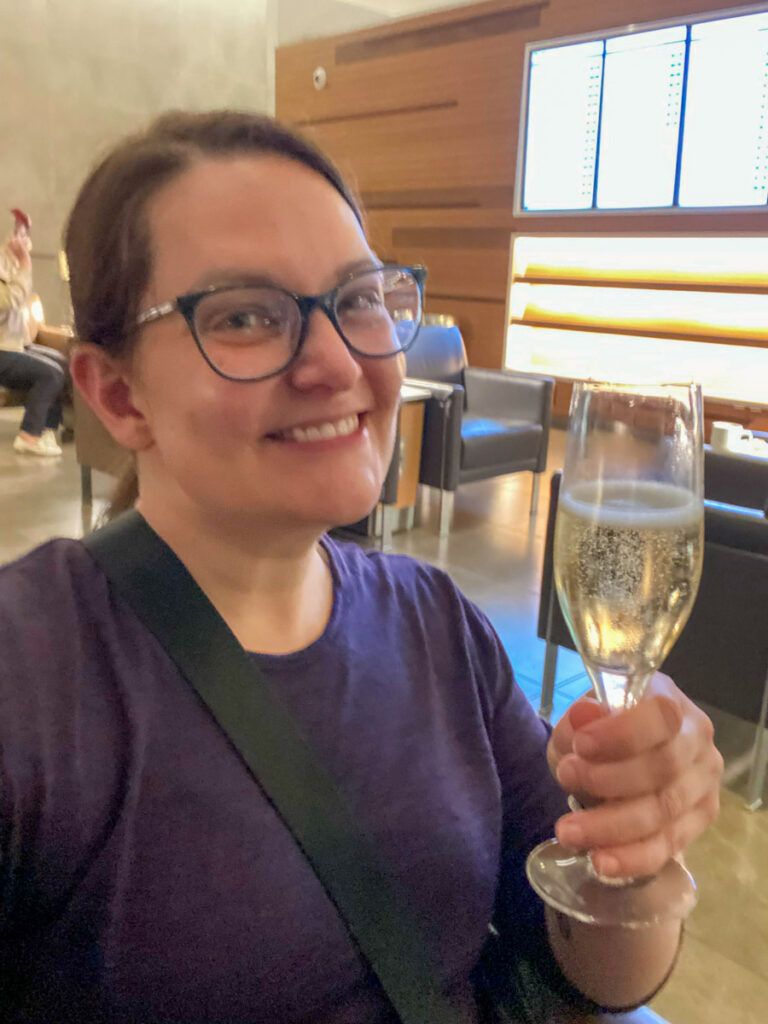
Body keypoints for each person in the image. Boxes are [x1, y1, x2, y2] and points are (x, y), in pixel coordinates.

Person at [0, 112, 723, 1023]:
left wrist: (637, 849)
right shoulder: (30, 682)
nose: (338, 364)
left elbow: (589, 974)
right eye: (247, 317)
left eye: (359, 298)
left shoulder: (438, 624)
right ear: (117, 394)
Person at [0, 209, 65, 456]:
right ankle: (29, 435)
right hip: (2, 350)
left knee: (60, 362)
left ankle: (46, 429)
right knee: (50, 374)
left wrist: (18, 237)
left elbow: (7, 261)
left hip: (11, 344)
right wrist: (25, 260)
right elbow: (12, 298)